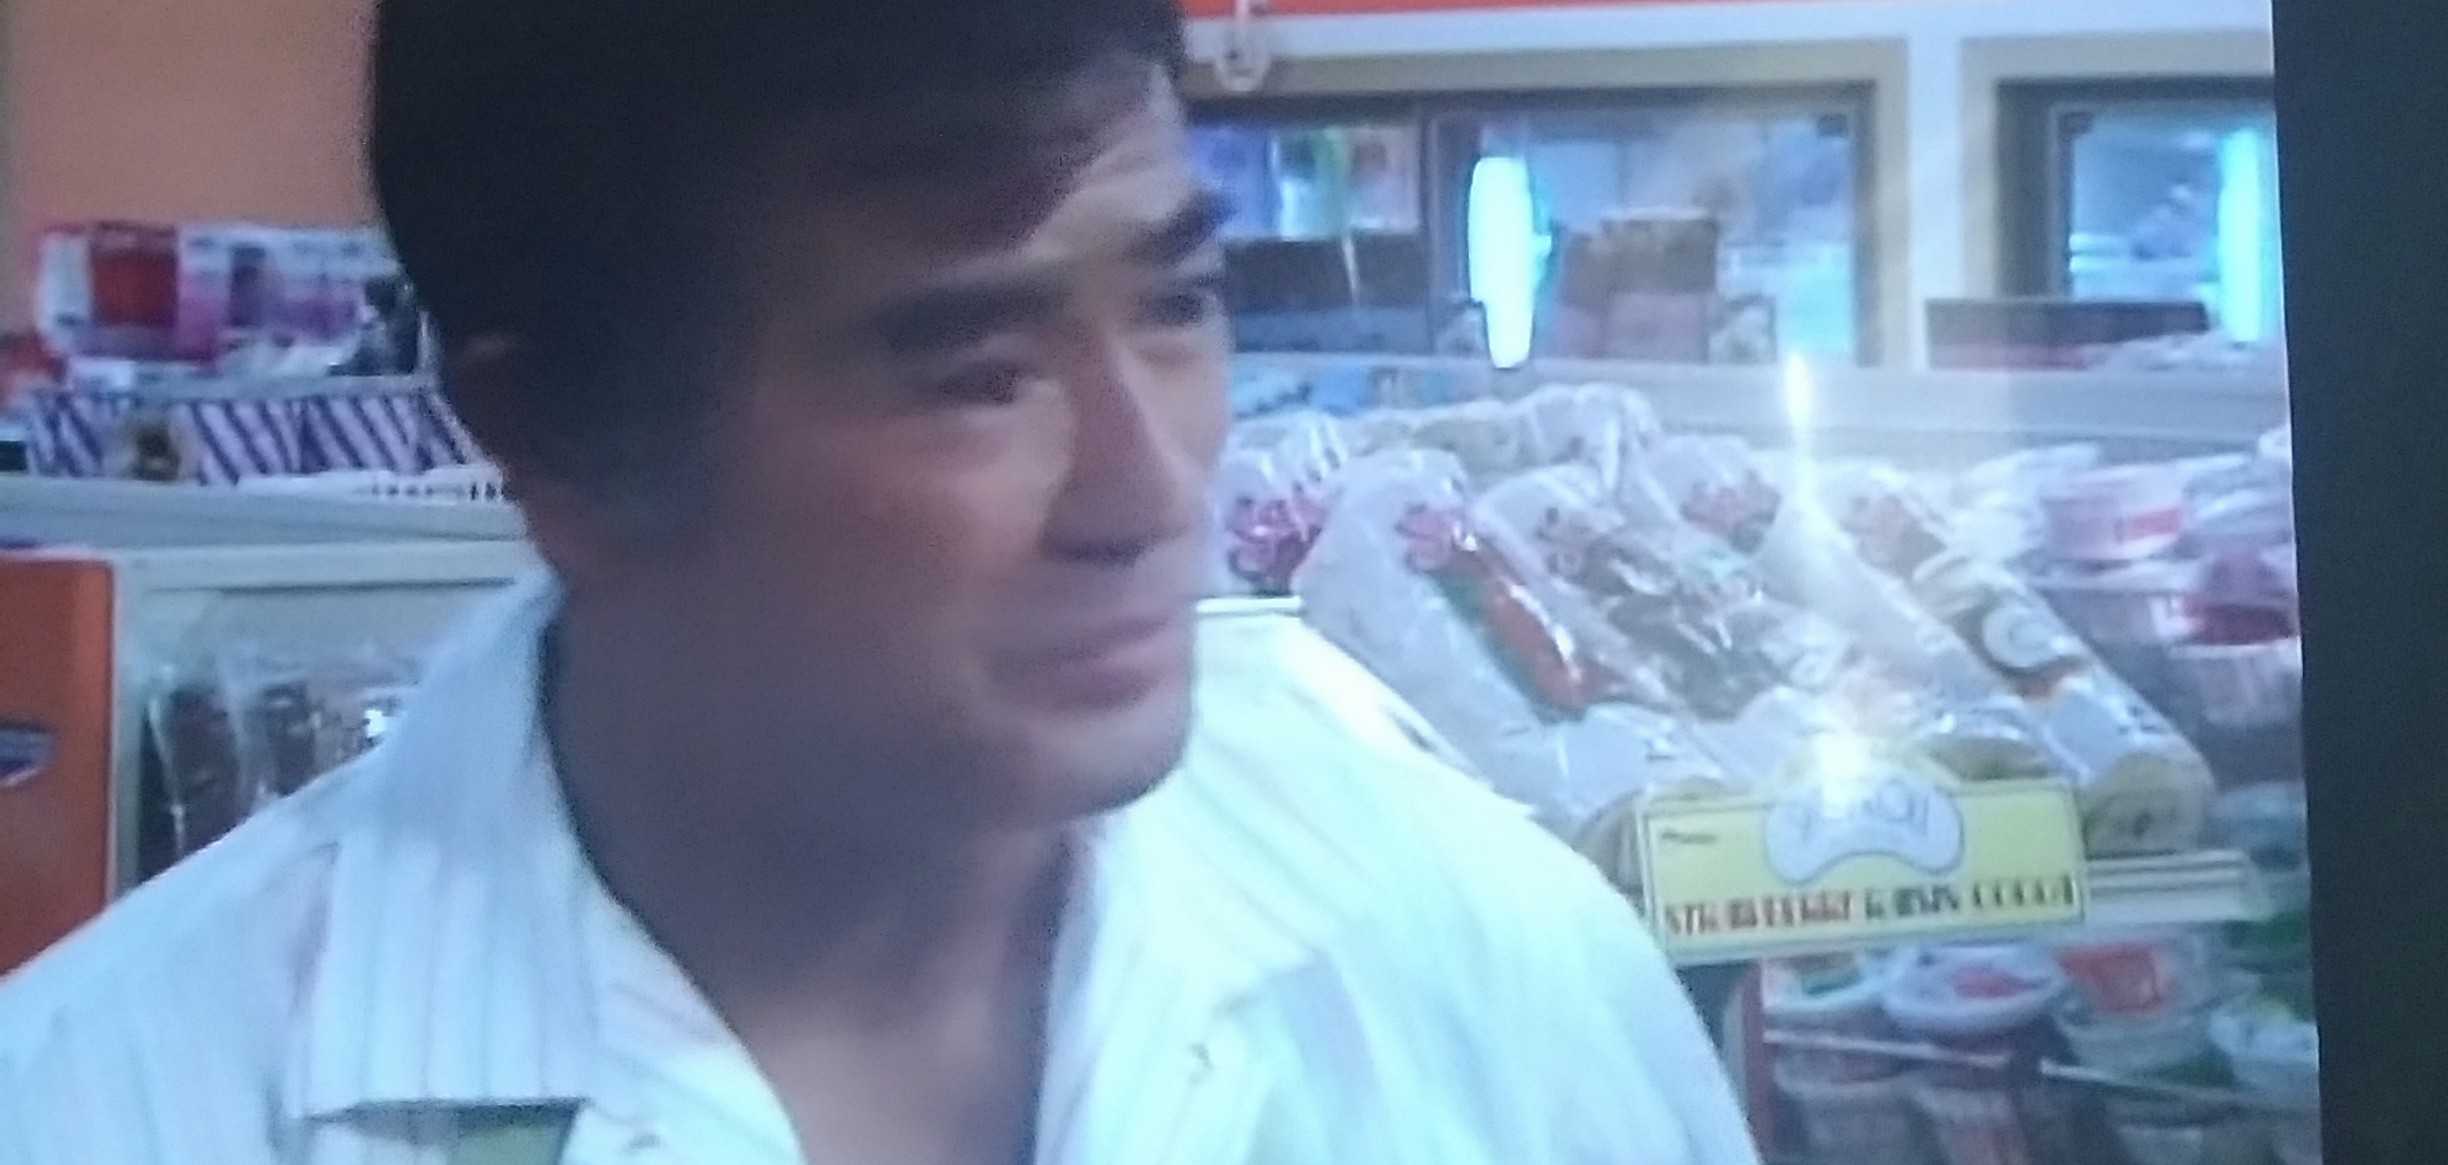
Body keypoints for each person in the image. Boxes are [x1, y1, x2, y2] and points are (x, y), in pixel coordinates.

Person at [0, 3, 1760, 1163]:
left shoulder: (1484, 964)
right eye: (974, 372)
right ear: (553, 442)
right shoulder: (117, 1104)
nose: (1154, 487)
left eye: (1176, 304)